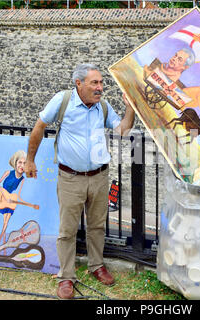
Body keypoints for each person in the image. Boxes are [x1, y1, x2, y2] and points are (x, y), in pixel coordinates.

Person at [24, 63, 135, 299]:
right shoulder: (62, 101)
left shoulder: (102, 107)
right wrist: (30, 160)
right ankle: (66, 277)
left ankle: (97, 266)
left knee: (96, 226)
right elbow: (39, 127)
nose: (100, 88)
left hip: (99, 177)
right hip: (70, 178)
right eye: (95, 83)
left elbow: (123, 130)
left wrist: (130, 108)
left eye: (101, 83)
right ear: (79, 84)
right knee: (67, 230)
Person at [0, 150, 27, 253]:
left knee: (6, 223)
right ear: (15, 163)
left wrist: (23, 202)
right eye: (20, 162)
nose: (22, 165)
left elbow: (19, 194)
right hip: (2, 197)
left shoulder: (22, 179)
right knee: (4, 223)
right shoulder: (8, 173)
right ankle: (0, 245)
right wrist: (4, 194)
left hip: (10, 200)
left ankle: (1, 247)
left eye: (24, 163)